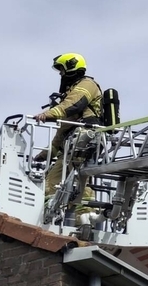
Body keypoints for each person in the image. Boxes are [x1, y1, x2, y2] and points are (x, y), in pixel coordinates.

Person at [33, 53, 104, 216]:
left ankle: (85, 215)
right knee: (51, 182)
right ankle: (50, 215)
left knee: (80, 177)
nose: (61, 75)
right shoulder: (71, 93)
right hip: (71, 142)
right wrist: (45, 154)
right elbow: (62, 130)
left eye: (62, 70)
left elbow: (74, 104)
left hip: (86, 138)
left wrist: (49, 114)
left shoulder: (87, 84)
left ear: (71, 69)